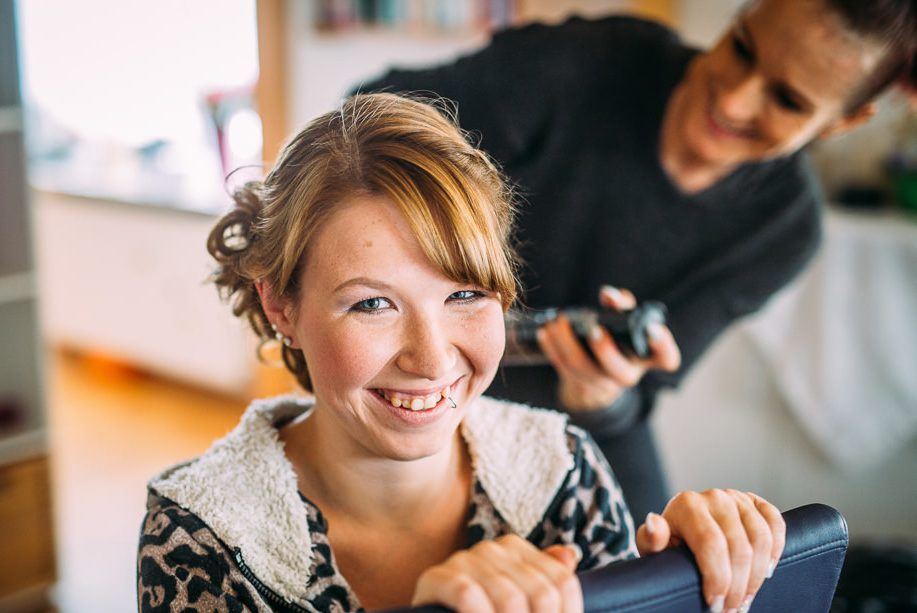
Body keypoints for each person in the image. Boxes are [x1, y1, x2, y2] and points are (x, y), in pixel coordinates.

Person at [136, 92, 787, 613]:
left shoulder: (565, 472)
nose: (432, 357)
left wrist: (677, 607)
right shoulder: (201, 534)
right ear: (281, 304)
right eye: (372, 303)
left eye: (466, 294)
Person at [354, 0, 917, 522]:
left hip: (566, 404)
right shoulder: (594, 62)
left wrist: (602, 392)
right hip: (423, 360)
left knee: (656, 584)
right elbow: (366, 116)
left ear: (843, 122)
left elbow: (638, 396)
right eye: (742, 47)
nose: (735, 99)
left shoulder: (784, 230)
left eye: (787, 100)